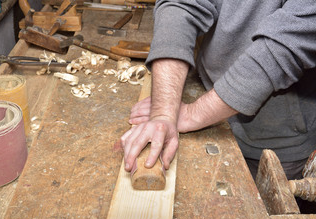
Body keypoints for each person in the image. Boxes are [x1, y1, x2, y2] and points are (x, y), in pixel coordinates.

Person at [121, 0, 316, 181]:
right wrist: (164, 110)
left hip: (278, 134)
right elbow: (181, 5)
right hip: (207, 91)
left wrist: (193, 114)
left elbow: (287, 43)